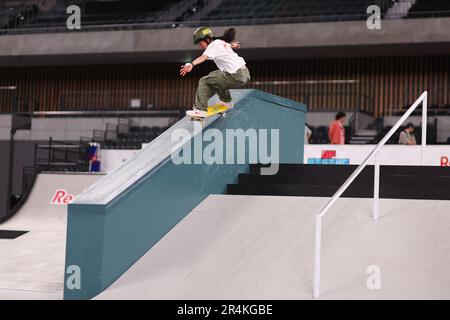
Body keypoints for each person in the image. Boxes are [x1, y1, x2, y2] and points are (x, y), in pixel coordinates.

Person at [180, 26, 251, 117]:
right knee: (214, 76)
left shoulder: (213, 46)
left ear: (206, 39)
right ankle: (226, 102)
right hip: (244, 73)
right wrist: (236, 45)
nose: (200, 46)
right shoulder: (220, 42)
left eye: (200, 42)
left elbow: (203, 57)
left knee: (204, 81)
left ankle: (200, 110)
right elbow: (232, 45)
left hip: (235, 75)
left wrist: (192, 64)